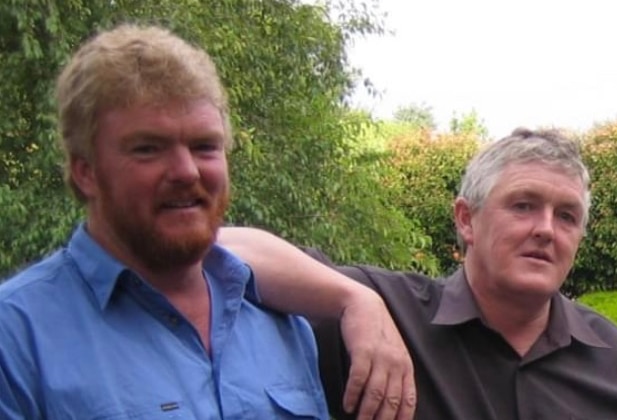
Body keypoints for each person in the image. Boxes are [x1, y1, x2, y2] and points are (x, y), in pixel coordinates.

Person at [0, 23, 416, 420]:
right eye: (148, 149)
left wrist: (362, 300)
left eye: (204, 147)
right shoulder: (17, 337)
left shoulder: (279, 321)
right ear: (85, 171)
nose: (186, 171)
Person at [219, 128, 617, 419]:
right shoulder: (391, 313)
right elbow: (222, 247)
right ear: (466, 220)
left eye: (567, 216)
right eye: (523, 205)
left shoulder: (611, 354)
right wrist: (355, 300)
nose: (545, 228)